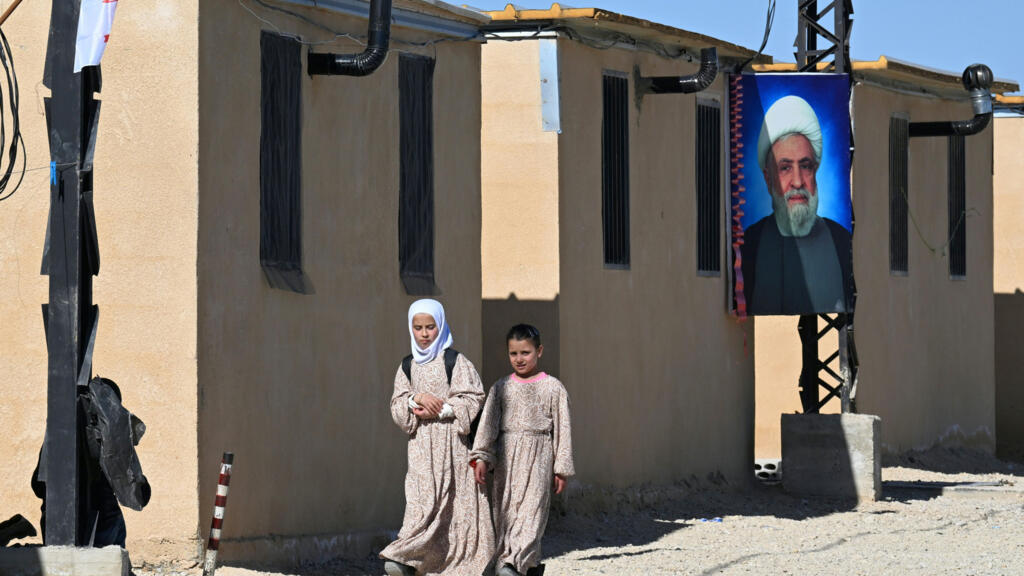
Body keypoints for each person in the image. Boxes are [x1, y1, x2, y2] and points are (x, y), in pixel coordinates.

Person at [380, 299, 494, 576]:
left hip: (454, 445)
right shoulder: (407, 366)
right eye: (417, 327)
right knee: (420, 503)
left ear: (440, 326)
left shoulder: (456, 362)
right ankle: (408, 559)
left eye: (430, 327)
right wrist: (415, 400)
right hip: (421, 447)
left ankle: (461, 564)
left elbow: (474, 397)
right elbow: (397, 405)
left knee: (455, 506)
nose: (424, 333)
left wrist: (443, 408)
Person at [470, 324, 574, 576]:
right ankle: (521, 566)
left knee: (531, 514)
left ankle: (513, 563)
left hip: (539, 456)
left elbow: (563, 429)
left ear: (539, 351)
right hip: (506, 459)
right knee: (506, 515)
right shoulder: (500, 387)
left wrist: (561, 468)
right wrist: (482, 456)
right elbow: (488, 425)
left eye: (525, 353)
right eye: (513, 353)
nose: (519, 359)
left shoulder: (553, 388)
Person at [741, 94, 853, 316]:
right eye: (785, 168)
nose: (798, 181)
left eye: (805, 166)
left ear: (815, 171)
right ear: (768, 178)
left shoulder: (841, 240)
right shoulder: (749, 244)